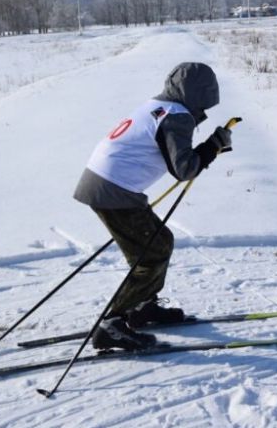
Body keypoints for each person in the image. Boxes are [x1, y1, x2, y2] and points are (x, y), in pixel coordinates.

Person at [73, 62, 232, 350]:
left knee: (156, 244)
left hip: (104, 182)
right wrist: (213, 146)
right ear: (198, 93)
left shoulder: (159, 106)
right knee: (152, 252)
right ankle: (113, 324)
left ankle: (142, 307)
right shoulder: (177, 116)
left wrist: (209, 147)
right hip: (113, 189)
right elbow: (184, 169)